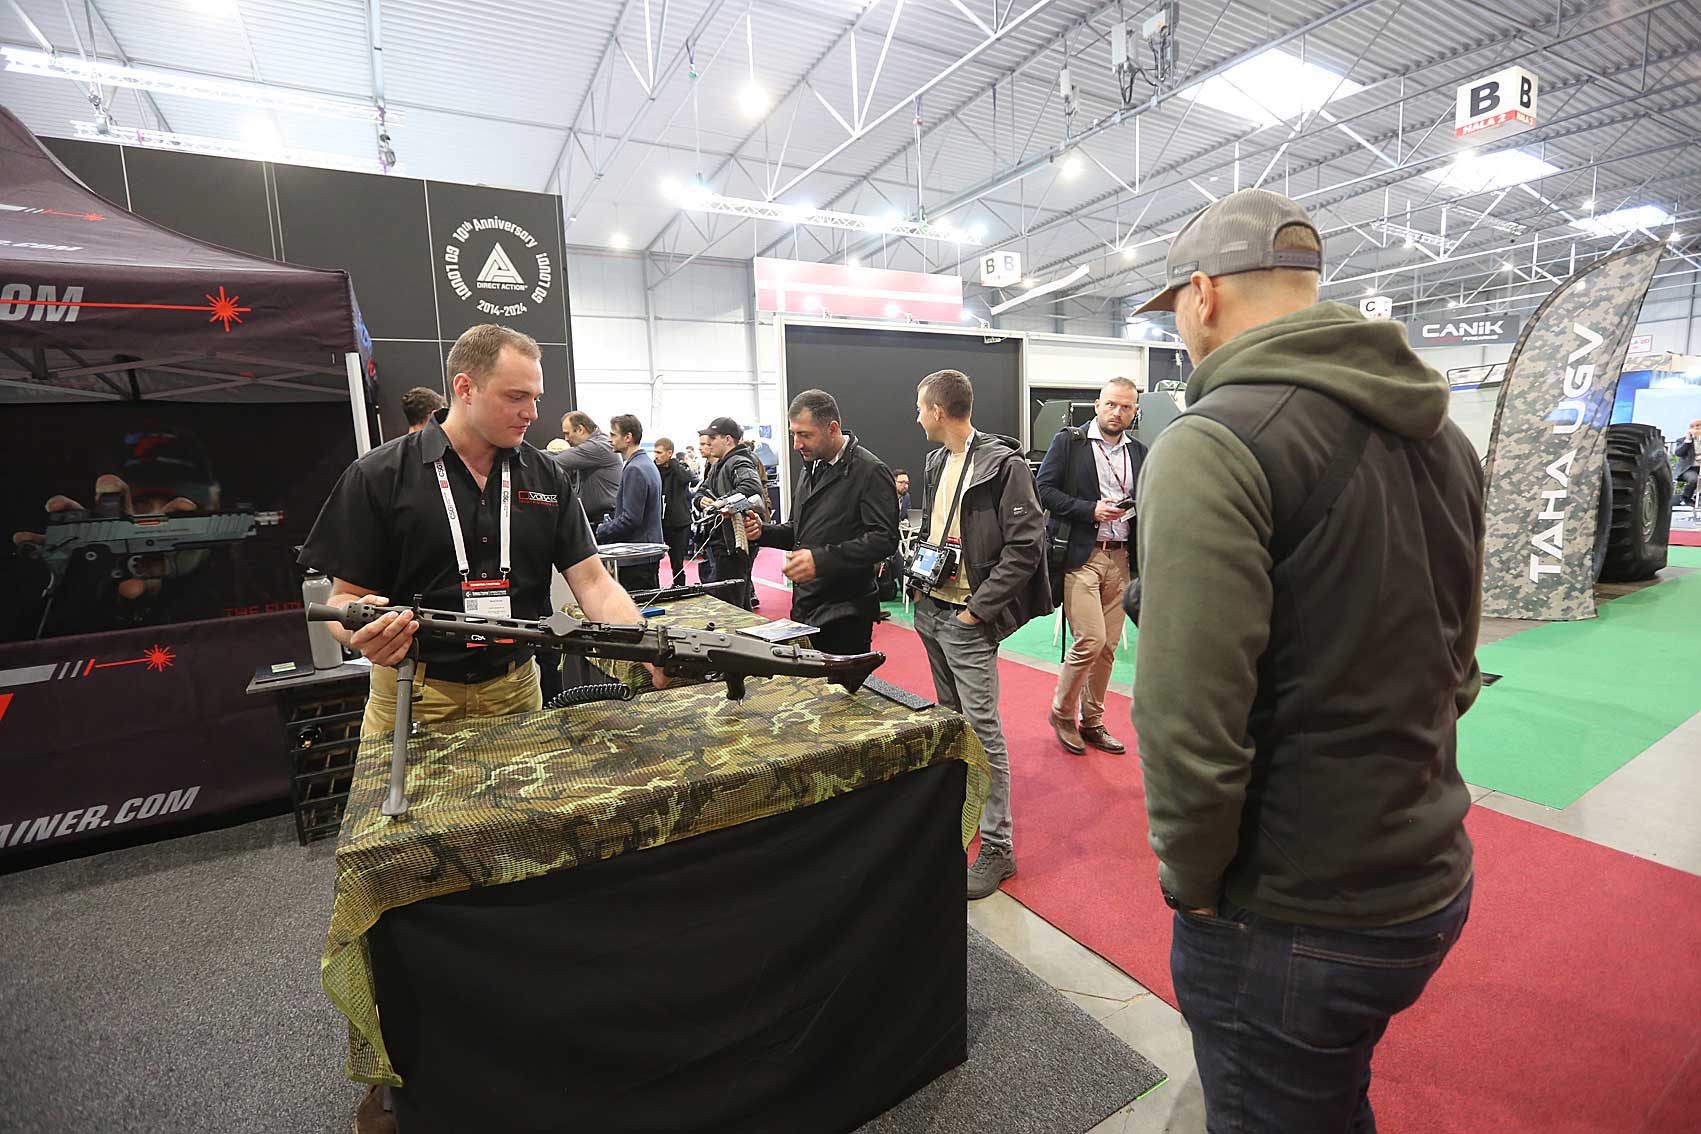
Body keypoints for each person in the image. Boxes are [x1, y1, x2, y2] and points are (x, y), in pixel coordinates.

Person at [1129, 188, 1481, 1132]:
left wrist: (1193, 886)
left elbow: (1187, 721)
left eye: (1175, 309)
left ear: (1202, 294)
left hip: (1292, 907)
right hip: (1427, 869)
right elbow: (1458, 664)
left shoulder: (1212, 441)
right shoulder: (1441, 435)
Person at [296, 324, 664, 1134]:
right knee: (395, 877)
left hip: (514, 695)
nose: (532, 412)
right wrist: (364, 631)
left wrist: (643, 647)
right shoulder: (381, 474)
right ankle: (390, 1068)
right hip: (412, 700)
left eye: (536, 397)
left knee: (519, 862)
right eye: (515, 397)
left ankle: (516, 1029)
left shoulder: (544, 476)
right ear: (463, 387)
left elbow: (592, 582)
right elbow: (341, 600)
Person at [910, 369, 1050, 901]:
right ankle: (960, 819)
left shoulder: (1003, 465)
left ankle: (997, 845)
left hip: (967, 618)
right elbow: (935, 529)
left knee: (983, 731)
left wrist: (979, 610)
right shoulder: (935, 461)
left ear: (938, 410)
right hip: (931, 609)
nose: (917, 418)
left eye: (920, 408)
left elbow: (1026, 546)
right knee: (951, 723)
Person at [741, 390, 899, 655]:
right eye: (794, 434)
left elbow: (885, 539)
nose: (796, 444)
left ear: (832, 429)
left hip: (845, 614)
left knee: (841, 683)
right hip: (807, 608)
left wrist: (821, 560)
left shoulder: (870, 471)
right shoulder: (811, 466)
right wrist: (762, 532)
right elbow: (799, 531)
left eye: (804, 434)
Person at [1035, 377, 1146, 755]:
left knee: (1108, 648)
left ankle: (1093, 721)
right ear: (1097, 405)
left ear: (1135, 411)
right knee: (1091, 639)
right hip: (1081, 556)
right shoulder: (1070, 442)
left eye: (1126, 407)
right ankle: (1062, 712)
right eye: (1111, 404)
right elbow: (1043, 490)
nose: (1117, 412)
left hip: (1122, 558)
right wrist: (1090, 510)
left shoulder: (1140, 452)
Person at [696, 417, 766, 609]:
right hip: (724, 542)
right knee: (736, 602)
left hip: (734, 544)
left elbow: (752, 487)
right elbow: (701, 491)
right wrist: (701, 500)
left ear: (728, 439)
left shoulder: (738, 461)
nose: (708, 442)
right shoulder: (719, 464)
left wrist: (721, 503)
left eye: (713, 438)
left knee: (732, 604)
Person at [595, 414, 664, 593]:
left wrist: (601, 530)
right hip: (644, 553)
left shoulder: (635, 468)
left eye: (613, 434)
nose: (609, 439)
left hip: (637, 556)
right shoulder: (644, 463)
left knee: (638, 607)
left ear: (628, 437)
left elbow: (631, 519)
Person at [552, 410, 622, 525]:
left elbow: (557, 460)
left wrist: (528, 454)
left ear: (580, 429)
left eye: (567, 433)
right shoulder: (595, 445)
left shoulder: (597, 447)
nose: (566, 439)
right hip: (597, 519)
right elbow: (560, 454)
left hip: (603, 520)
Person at [654, 437, 697, 587]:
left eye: (659, 452)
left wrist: (673, 463)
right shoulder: (653, 468)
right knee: (654, 561)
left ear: (669, 453)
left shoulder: (679, 468)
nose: (656, 456)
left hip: (679, 523)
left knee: (677, 562)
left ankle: (679, 587)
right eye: (655, 452)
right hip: (659, 523)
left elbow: (690, 479)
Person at [1676, 418, 1700, 507]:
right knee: (1693, 479)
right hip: (1688, 468)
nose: (1696, 428)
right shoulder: (1682, 440)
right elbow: (1678, 453)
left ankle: (1698, 498)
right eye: (1693, 426)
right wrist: (1688, 441)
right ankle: (1686, 498)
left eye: (1698, 426)